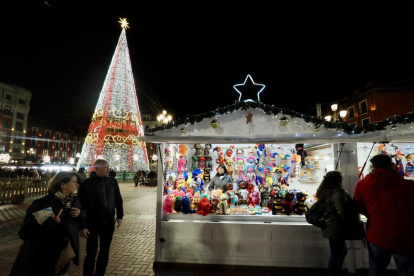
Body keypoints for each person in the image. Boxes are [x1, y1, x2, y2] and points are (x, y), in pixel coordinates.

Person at [10, 171, 83, 276]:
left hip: (58, 255)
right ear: (63, 184)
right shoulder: (46, 204)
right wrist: (52, 224)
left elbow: (77, 221)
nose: (77, 185)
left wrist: (79, 214)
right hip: (39, 257)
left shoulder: (69, 203)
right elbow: (26, 232)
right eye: (75, 182)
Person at [353, 154, 414, 276]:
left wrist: (373, 214)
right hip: (404, 233)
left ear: (373, 166)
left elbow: (358, 207)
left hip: (376, 233)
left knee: (376, 270)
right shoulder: (409, 185)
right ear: (392, 165)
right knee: (407, 271)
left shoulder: (363, 184)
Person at [78, 159, 124, 276]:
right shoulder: (86, 184)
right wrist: (82, 226)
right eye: (105, 167)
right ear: (96, 168)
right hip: (92, 223)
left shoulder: (112, 182)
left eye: (108, 167)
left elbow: (118, 199)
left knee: (105, 251)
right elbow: (81, 206)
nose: (108, 169)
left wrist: (119, 216)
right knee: (91, 252)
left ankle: (99, 273)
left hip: (108, 222)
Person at [316, 171, 353, 276]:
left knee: (340, 252)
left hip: (331, 226)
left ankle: (336, 272)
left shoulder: (324, 191)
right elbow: (343, 211)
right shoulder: (337, 193)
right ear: (339, 180)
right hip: (336, 227)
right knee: (337, 254)